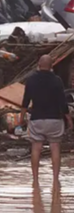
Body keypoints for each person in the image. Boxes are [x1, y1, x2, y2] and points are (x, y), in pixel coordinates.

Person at [21, 54, 73, 182]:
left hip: (37, 119)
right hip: (54, 120)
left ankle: (35, 179)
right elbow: (62, 102)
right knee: (55, 147)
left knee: (36, 148)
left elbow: (25, 101)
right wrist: (69, 119)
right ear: (51, 66)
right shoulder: (57, 80)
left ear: (38, 64)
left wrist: (22, 117)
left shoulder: (31, 80)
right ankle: (55, 179)